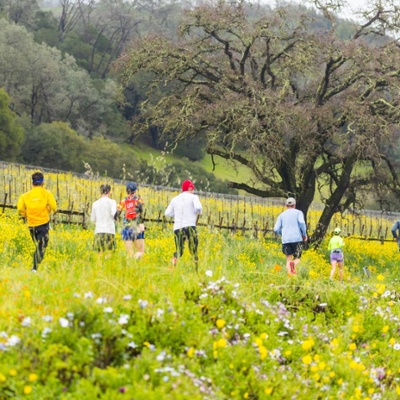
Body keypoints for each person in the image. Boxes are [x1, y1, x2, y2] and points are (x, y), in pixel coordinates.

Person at [17, 172, 57, 272]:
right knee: (42, 246)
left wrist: (25, 215)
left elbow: (20, 209)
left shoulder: (25, 196)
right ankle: (34, 269)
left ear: (32, 183)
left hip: (31, 225)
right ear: (43, 182)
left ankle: (35, 267)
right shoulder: (47, 193)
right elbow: (54, 207)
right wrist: (47, 210)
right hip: (43, 224)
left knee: (38, 245)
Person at [165, 179, 202, 270]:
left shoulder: (175, 199)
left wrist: (177, 215)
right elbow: (198, 207)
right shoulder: (194, 197)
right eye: (193, 189)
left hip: (178, 227)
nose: (193, 191)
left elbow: (167, 213)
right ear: (190, 188)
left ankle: (173, 265)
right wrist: (199, 212)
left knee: (179, 251)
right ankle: (196, 270)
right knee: (193, 250)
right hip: (190, 226)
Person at [273, 197, 307, 275]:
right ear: (294, 205)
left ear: (286, 205)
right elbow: (302, 223)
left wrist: (282, 233)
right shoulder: (299, 213)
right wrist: (304, 234)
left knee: (288, 260)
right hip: (297, 239)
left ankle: (291, 276)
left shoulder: (281, 215)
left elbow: (275, 229)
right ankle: (294, 264)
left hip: (286, 240)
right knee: (297, 258)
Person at [116, 182, 145, 259]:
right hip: (136, 227)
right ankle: (137, 266)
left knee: (129, 253)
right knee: (140, 251)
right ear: (135, 191)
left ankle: (129, 268)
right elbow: (141, 212)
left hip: (126, 228)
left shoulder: (123, 201)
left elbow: (116, 214)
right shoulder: (139, 200)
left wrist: (120, 221)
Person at [90, 184, 117, 253]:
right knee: (109, 254)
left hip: (98, 231)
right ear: (109, 192)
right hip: (110, 231)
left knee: (99, 254)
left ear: (100, 192)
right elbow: (114, 215)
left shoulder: (95, 203)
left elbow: (92, 219)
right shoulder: (112, 202)